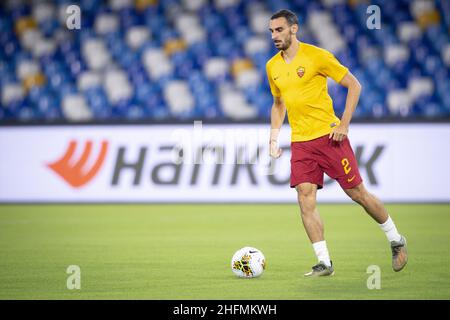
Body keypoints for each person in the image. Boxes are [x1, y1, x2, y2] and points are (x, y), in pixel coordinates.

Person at [266, 9, 407, 276]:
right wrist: (274, 137)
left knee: (357, 194)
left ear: (294, 29)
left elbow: (354, 85)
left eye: (279, 30)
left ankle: (395, 239)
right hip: (301, 143)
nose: (274, 35)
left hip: (329, 137)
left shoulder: (317, 56)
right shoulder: (272, 66)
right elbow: (278, 103)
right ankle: (324, 262)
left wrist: (343, 124)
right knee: (304, 198)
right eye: (271, 31)